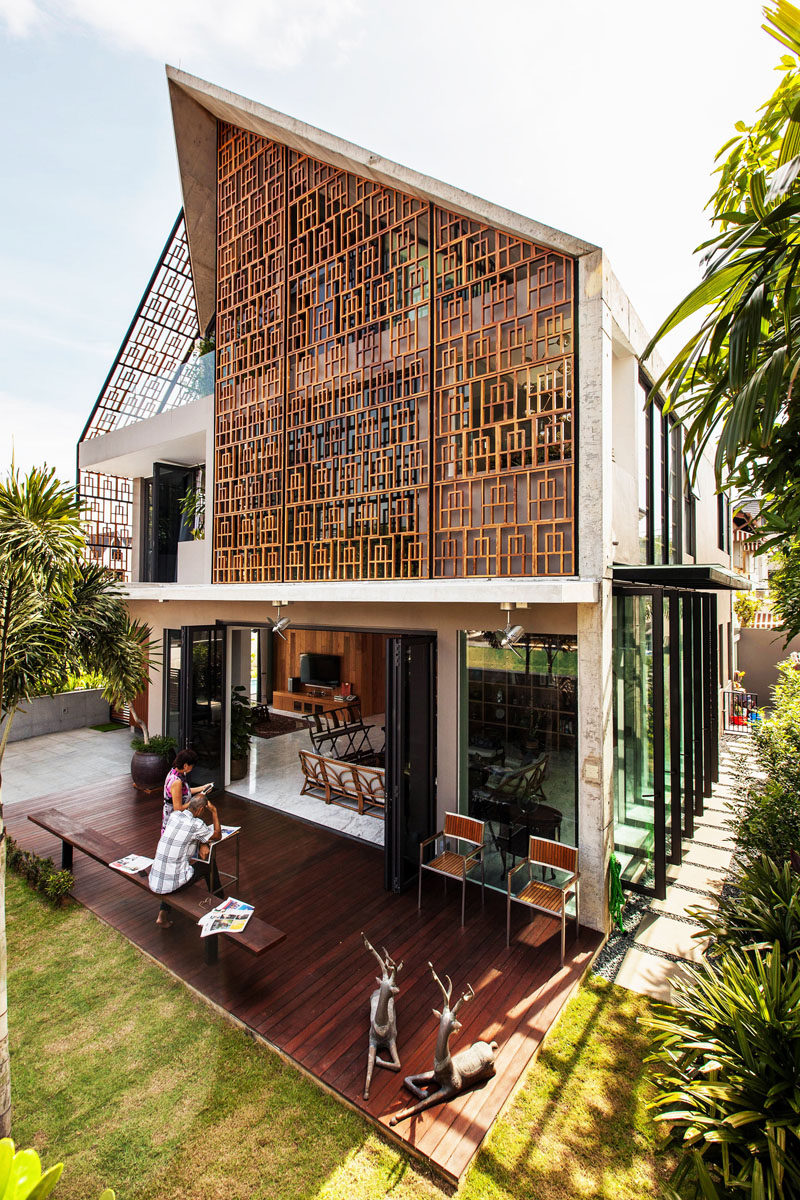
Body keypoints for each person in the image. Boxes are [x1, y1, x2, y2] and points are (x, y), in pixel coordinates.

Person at [149, 793, 222, 927]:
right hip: (173, 884)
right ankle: (221, 902)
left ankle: (162, 915)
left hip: (155, 879)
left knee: (172, 869)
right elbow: (217, 835)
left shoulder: (174, 815)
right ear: (200, 810)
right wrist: (214, 811)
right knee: (209, 864)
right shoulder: (196, 824)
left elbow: (189, 836)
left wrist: (202, 843)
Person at [162, 749, 209, 834]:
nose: (192, 768)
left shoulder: (176, 772)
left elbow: (184, 791)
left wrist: (203, 788)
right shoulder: (177, 781)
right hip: (174, 819)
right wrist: (195, 801)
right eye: (192, 766)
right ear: (185, 765)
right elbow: (178, 808)